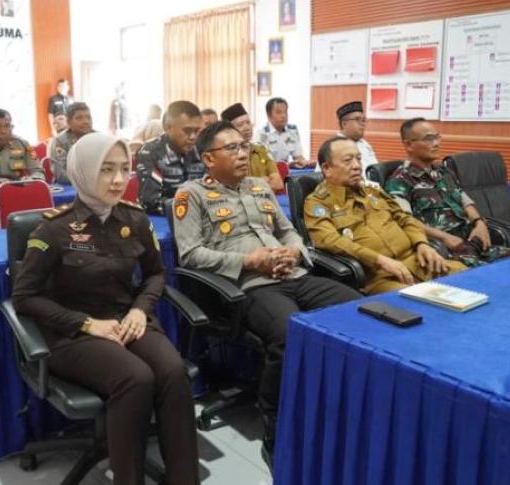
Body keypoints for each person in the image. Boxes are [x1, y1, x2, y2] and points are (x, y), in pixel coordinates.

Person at [13, 133, 199, 485]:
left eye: (125, 169)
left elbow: (156, 274)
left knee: (173, 372)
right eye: (106, 169)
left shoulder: (135, 219)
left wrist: (140, 310)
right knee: (136, 378)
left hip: (127, 318)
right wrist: (86, 323)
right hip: (73, 333)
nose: (118, 180)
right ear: (83, 171)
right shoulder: (53, 228)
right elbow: (24, 297)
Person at [173, 121, 361, 467]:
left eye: (243, 146)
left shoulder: (259, 186)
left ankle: (339, 403)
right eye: (231, 148)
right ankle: (274, 421)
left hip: (294, 273)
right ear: (208, 159)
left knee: (357, 309)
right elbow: (190, 254)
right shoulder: (190, 194)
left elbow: (288, 231)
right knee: (289, 333)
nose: (242, 153)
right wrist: (248, 261)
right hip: (248, 286)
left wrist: (293, 252)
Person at [304, 136, 465, 294]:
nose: (357, 166)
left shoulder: (372, 191)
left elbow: (404, 218)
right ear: (327, 169)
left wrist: (422, 243)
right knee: (418, 301)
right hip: (380, 277)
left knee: (467, 277)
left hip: (417, 261)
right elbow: (331, 241)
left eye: (358, 159)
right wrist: (379, 260)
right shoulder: (318, 203)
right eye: (348, 161)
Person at [385, 118, 510, 266]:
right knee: (498, 275)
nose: (436, 143)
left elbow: (465, 201)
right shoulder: (399, 181)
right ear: (408, 145)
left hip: (475, 244)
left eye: (437, 137)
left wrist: (479, 223)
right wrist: (444, 238)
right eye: (429, 139)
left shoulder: (444, 172)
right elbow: (406, 221)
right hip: (447, 252)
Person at [135, 100, 205, 214]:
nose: (193, 137)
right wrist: (191, 206)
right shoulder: (151, 151)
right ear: (168, 127)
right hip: (163, 217)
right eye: (187, 131)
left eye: (197, 131)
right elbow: (150, 202)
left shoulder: (201, 148)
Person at [220, 102, 283, 192]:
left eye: (248, 122)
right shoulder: (226, 155)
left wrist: (253, 184)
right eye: (240, 125)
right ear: (229, 131)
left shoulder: (262, 150)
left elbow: (278, 184)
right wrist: (263, 181)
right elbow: (235, 189)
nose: (247, 127)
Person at [256, 97, 313, 168]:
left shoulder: (292, 130)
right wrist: (286, 165)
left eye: (285, 112)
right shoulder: (262, 134)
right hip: (269, 171)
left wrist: (304, 162)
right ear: (269, 116)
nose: (284, 116)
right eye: (279, 112)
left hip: (287, 170)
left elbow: (298, 156)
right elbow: (262, 161)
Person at [48, 102, 94, 184]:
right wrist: (86, 182)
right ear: (69, 122)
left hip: (96, 184)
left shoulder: (99, 138)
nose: (86, 121)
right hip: (69, 185)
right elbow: (60, 174)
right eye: (79, 118)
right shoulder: (59, 141)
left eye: (88, 117)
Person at [334, 101, 378, 173]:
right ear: (344, 124)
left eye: (363, 120)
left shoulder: (365, 144)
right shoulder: (333, 147)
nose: (362, 124)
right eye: (357, 119)